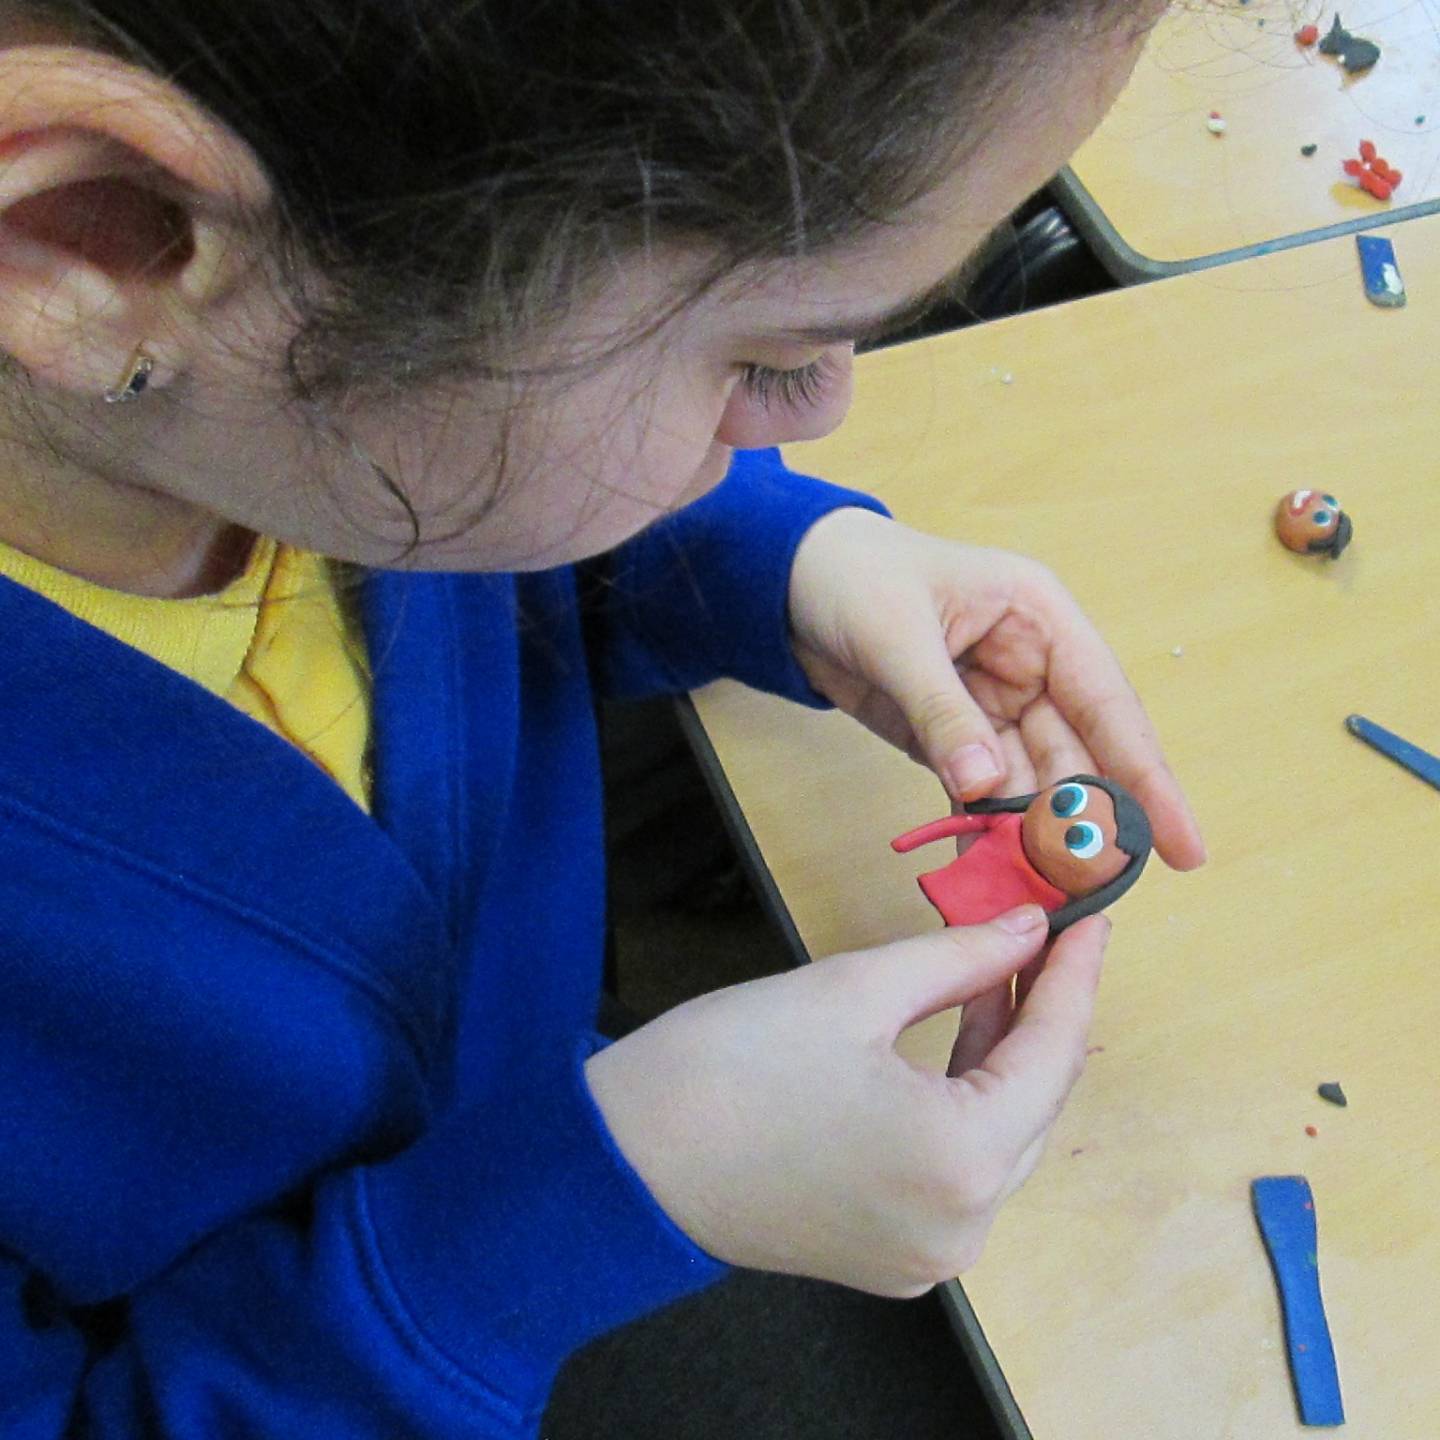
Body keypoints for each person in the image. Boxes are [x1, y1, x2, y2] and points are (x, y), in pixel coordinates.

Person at [0, 2, 1205, 1436]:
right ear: (100, 239)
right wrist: (573, 1218)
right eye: (766, 359)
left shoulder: (281, 394)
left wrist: (782, 561)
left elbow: (473, 514)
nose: (820, 414)